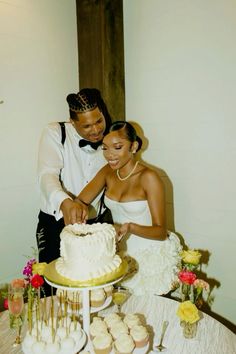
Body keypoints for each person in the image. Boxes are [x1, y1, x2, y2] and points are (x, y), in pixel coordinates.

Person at [74, 121, 182, 296]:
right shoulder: (107, 172)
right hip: (119, 256)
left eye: (117, 147)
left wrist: (130, 227)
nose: (110, 155)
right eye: (105, 148)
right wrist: (78, 209)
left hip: (150, 259)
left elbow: (160, 232)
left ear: (134, 146)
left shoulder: (149, 178)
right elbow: (80, 200)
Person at [36, 88, 112, 275]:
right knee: (52, 284)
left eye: (99, 121)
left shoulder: (112, 139)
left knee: (94, 282)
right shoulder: (56, 132)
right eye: (86, 126)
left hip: (97, 225)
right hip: (56, 223)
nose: (95, 130)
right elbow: (47, 175)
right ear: (72, 122)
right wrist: (64, 202)